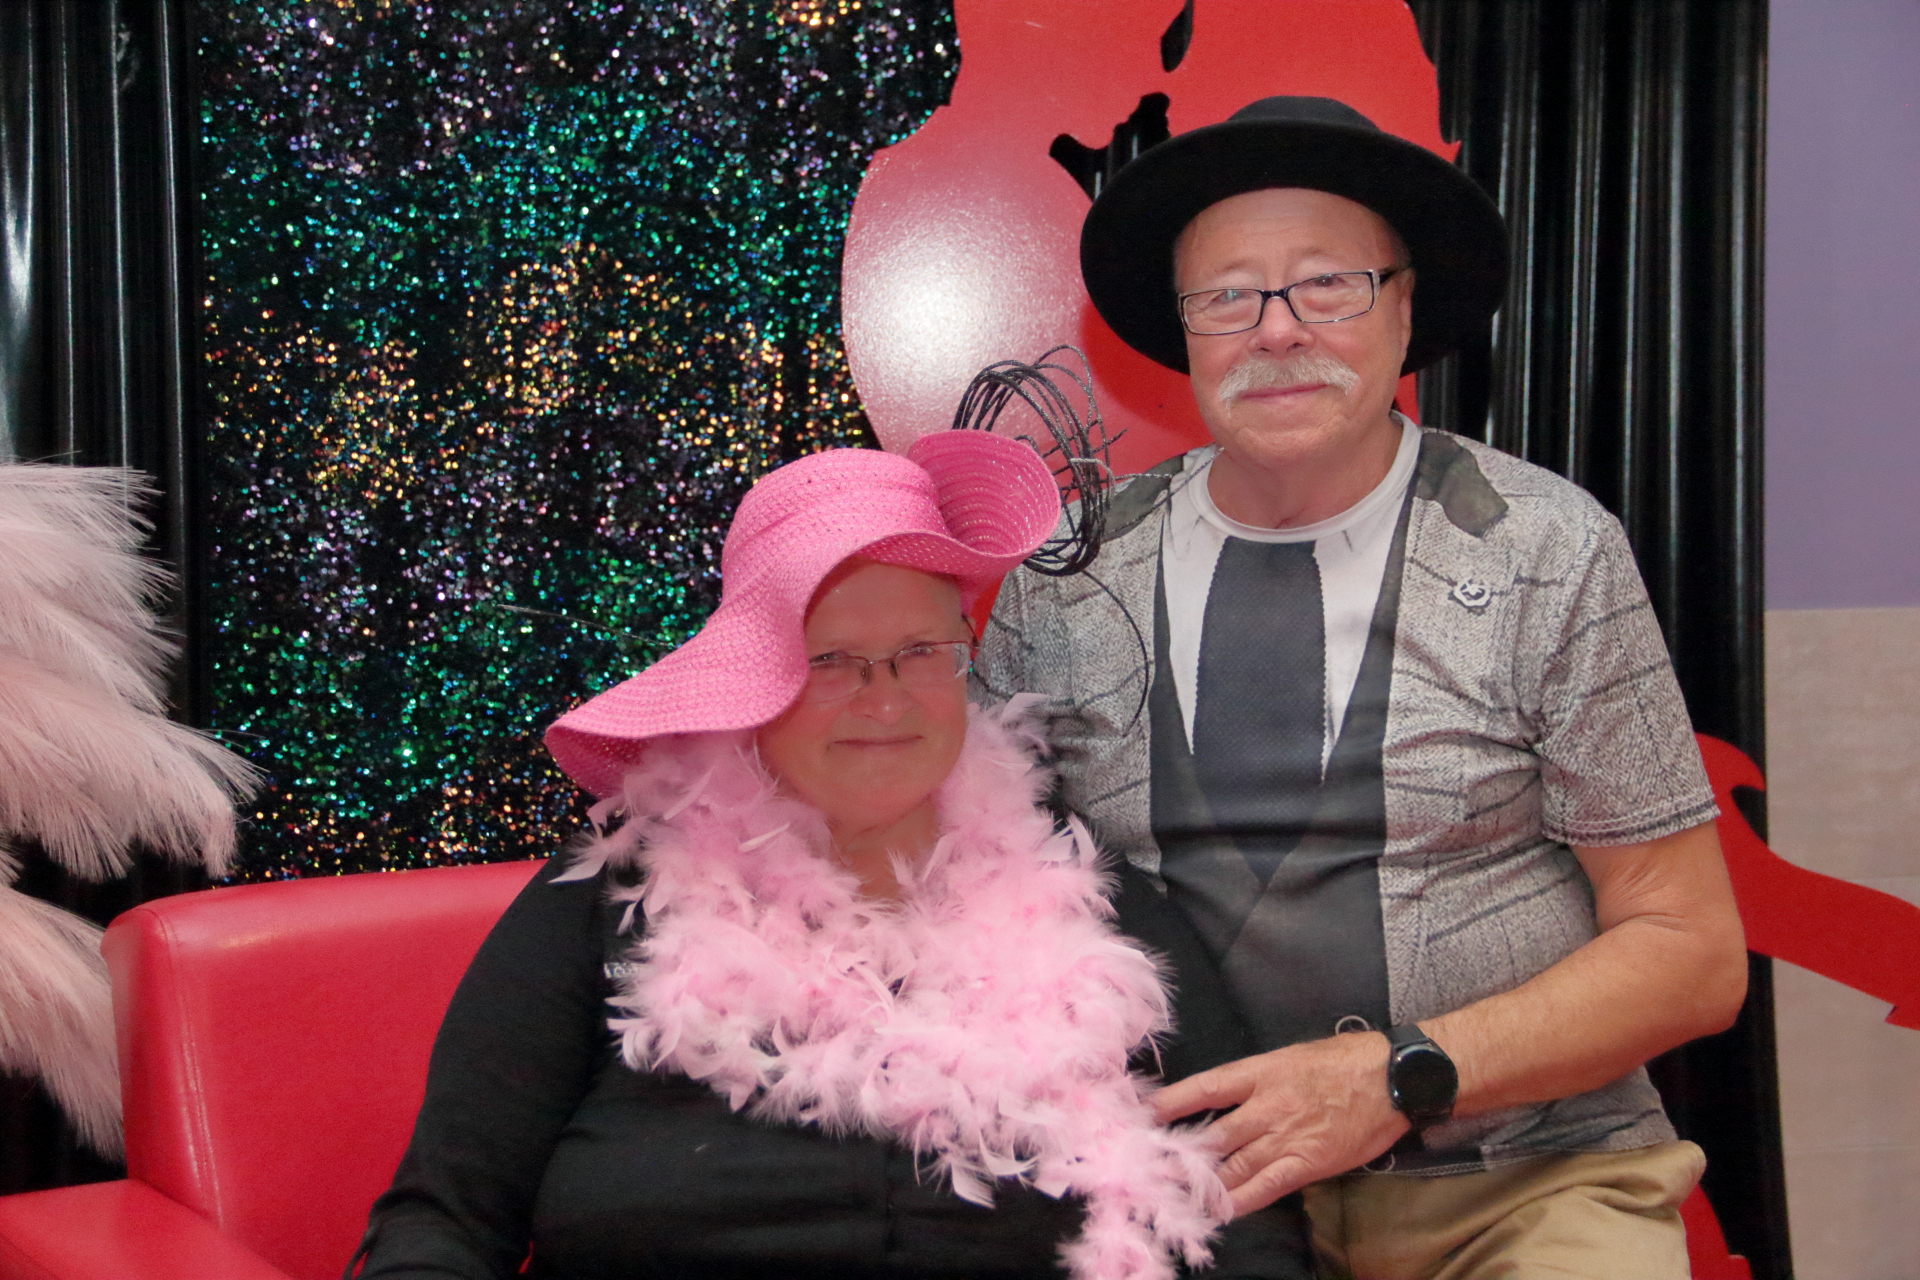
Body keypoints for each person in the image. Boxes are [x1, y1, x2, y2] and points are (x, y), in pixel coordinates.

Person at [974, 96, 1749, 1279]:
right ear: (1185, 332)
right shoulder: (1068, 578)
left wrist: (1398, 1073)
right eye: (1228, 296)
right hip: (1192, 1198)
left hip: (1526, 1182)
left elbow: (1690, 949)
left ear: (1404, 308)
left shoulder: (1546, 548)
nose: (1277, 330)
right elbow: (971, 883)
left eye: (1328, 284)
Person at [350, 428, 1315, 1279]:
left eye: (920, 653)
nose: (885, 700)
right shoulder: (606, 896)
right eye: (829, 662)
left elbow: (1245, 1220)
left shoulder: (1095, 907)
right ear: (756, 684)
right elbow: (443, 1225)